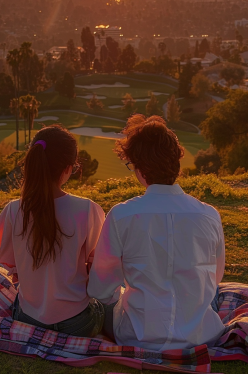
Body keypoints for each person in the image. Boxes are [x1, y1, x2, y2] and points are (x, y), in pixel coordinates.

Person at [88, 115, 225, 350]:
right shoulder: (209, 215)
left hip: (137, 336)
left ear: (140, 169)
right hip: (200, 334)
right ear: (177, 163)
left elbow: (100, 289)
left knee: (100, 307)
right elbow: (215, 278)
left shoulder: (122, 215)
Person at [0, 125, 105, 336]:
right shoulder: (87, 209)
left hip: (28, 318)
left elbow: (8, 261)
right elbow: (97, 264)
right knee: (105, 303)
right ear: (68, 168)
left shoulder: (13, 210)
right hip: (77, 324)